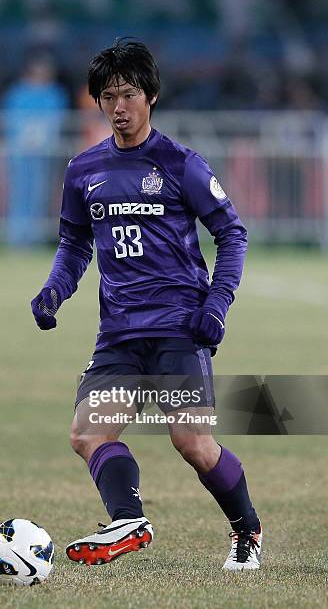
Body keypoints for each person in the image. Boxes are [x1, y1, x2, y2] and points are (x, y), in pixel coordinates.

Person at [31, 39, 262, 571]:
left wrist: (217, 305)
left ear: (151, 96)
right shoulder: (84, 169)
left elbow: (232, 234)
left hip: (179, 327)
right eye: (109, 96)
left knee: (192, 441)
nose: (119, 106)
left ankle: (247, 529)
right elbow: (74, 244)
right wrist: (54, 291)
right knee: (87, 433)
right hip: (118, 333)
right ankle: (128, 518)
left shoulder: (181, 164)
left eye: (129, 93)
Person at [1, 55, 68, 246]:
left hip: (44, 154)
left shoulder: (54, 94)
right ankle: (17, 238)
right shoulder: (17, 94)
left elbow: (57, 120)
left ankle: (35, 237)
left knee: (40, 194)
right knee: (19, 194)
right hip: (20, 154)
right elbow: (11, 119)